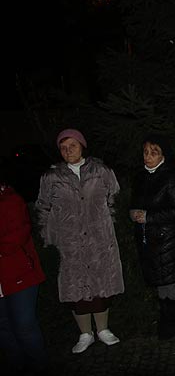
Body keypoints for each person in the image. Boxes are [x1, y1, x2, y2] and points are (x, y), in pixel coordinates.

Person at [36, 128, 124, 354]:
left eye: (72, 146)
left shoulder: (101, 171)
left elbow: (114, 198)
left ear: (82, 146)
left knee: (101, 286)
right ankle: (85, 333)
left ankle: (103, 329)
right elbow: (43, 208)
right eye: (63, 148)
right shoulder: (51, 177)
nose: (68, 151)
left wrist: (108, 227)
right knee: (75, 288)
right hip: (70, 243)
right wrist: (49, 239)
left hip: (99, 241)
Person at [130, 134, 175, 340]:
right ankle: (166, 321)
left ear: (163, 154)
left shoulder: (171, 176)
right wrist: (133, 213)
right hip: (149, 240)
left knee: (170, 283)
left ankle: (173, 324)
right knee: (160, 283)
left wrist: (149, 216)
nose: (148, 157)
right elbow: (135, 202)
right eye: (145, 152)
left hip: (168, 239)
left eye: (154, 153)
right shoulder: (141, 176)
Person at [0, 170, 48, 375]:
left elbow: (17, 235)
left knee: (24, 325)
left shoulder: (9, 201)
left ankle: (39, 367)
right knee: (2, 326)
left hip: (20, 273)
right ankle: (17, 365)